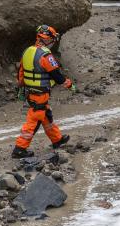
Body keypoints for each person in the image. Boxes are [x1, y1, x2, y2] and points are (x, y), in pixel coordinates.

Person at [11, 25, 75, 158]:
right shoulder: (45, 55)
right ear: (47, 39)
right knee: (34, 121)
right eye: (52, 39)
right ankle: (19, 149)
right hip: (40, 93)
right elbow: (56, 75)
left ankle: (57, 140)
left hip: (31, 92)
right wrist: (68, 84)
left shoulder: (27, 51)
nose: (53, 43)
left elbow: (20, 73)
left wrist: (22, 88)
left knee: (46, 115)